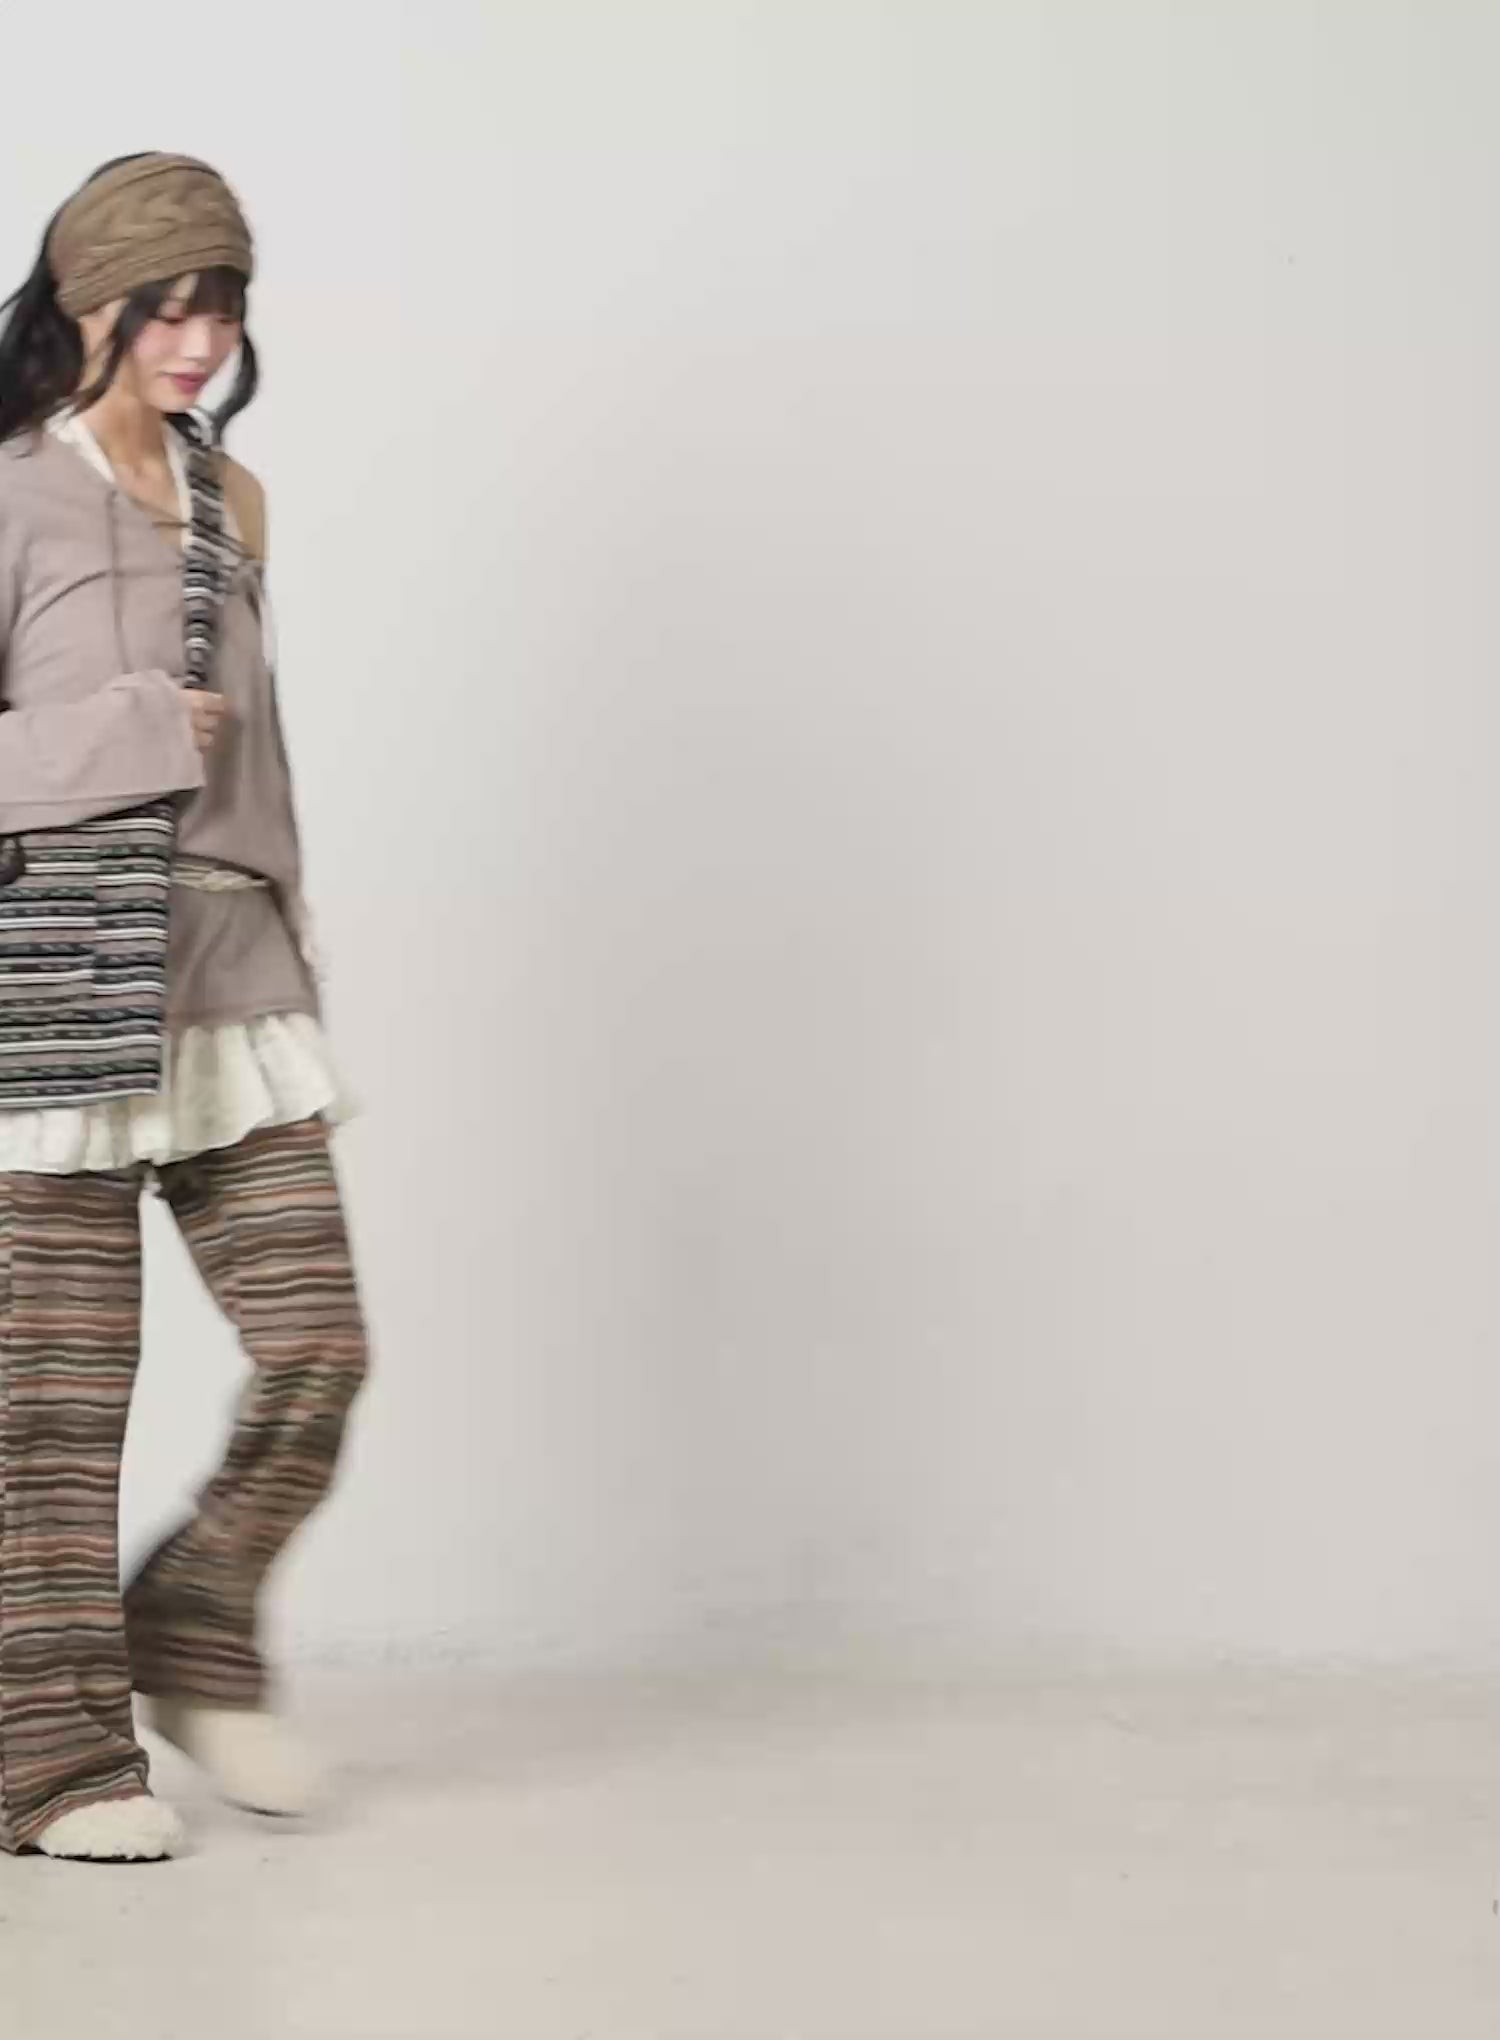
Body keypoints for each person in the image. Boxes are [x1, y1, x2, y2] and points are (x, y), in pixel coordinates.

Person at [0, 153, 368, 1862]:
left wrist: (293, 931)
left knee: (319, 1345)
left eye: (222, 305)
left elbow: (261, 758)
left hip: (228, 975)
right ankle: (54, 1763)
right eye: (166, 307)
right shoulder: (11, 491)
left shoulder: (239, 501)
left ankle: (194, 1621)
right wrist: (136, 728)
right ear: (87, 305)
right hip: (53, 975)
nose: (200, 340)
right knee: (57, 1406)